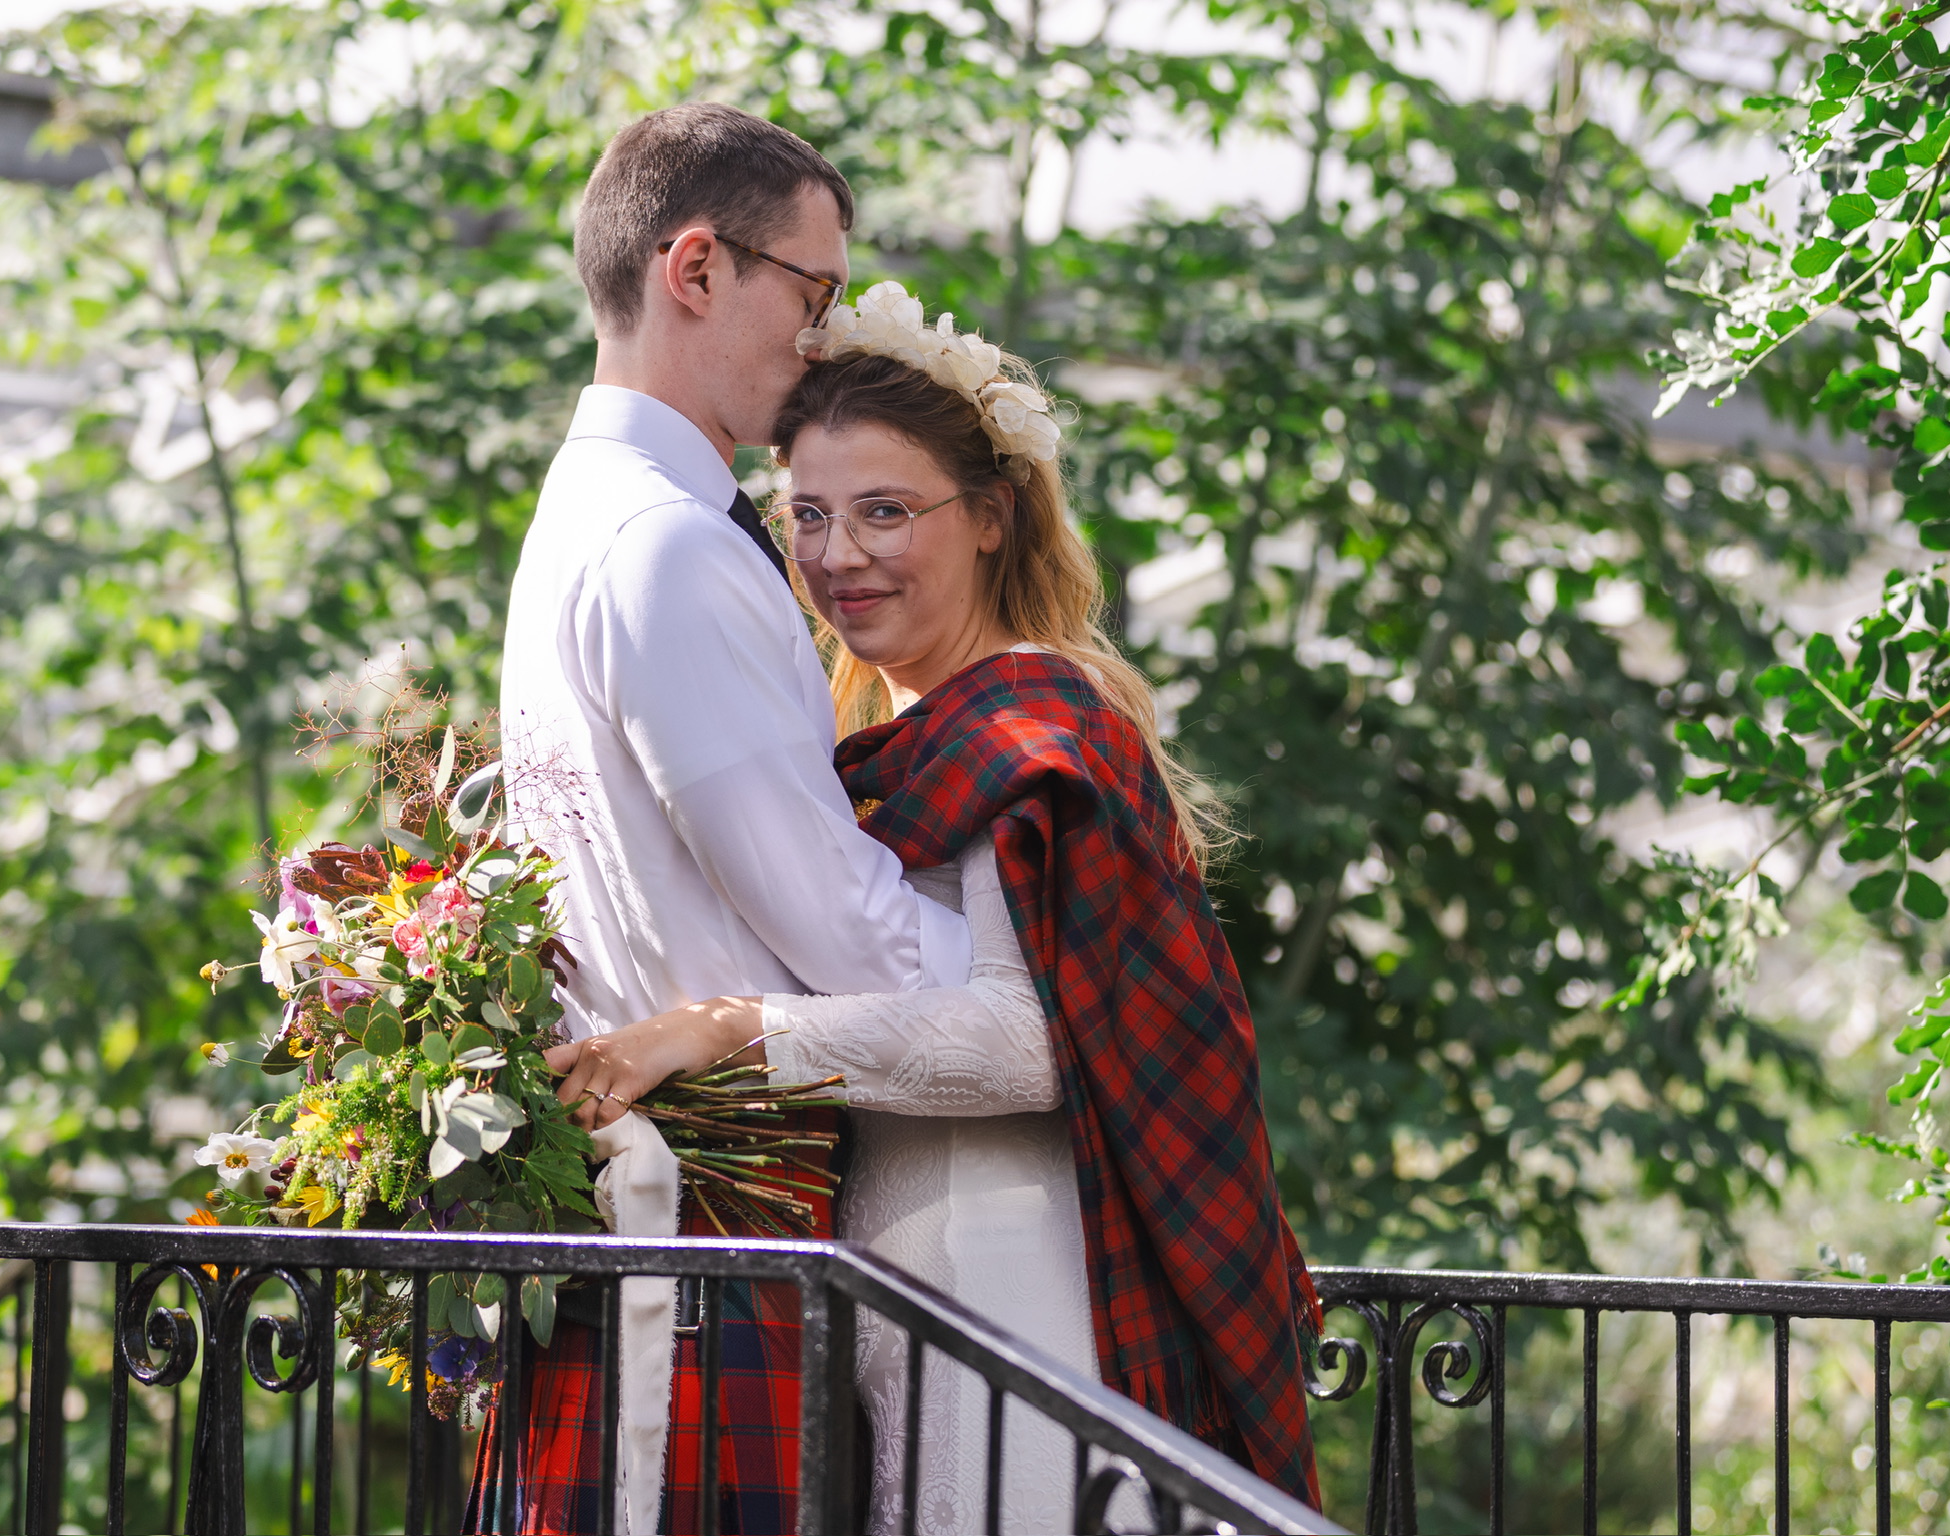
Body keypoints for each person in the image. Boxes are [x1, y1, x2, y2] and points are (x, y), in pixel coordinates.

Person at [556, 283, 1324, 1530]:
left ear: (989, 519)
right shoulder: (897, 734)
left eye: (884, 512)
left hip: (1012, 1292)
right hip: (906, 1295)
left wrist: (730, 1029)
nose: (838, 554)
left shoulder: (1036, 725)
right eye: (807, 514)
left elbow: (1034, 1041)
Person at [473, 108, 973, 1536]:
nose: (822, 339)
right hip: (714, 1238)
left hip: (670, 1225)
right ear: (696, 267)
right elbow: (839, 928)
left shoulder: (596, 513)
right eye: (810, 296)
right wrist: (1030, 978)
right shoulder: (670, 544)